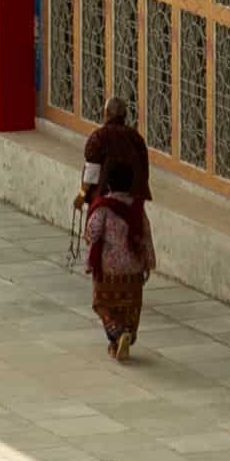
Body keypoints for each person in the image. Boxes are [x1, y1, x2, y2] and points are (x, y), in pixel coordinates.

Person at [83, 177, 154, 359]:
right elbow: (146, 234)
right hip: (133, 269)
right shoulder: (137, 207)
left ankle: (119, 334)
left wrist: (89, 261)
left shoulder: (104, 207)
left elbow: (93, 232)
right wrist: (149, 261)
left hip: (109, 270)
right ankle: (121, 340)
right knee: (129, 307)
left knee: (102, 303)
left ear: (109, 184)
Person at [80, 96, 151, 206]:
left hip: (105, 201)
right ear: (125, 115)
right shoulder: (136, 138)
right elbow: (144, 171)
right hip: (133, 202)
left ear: (106, 113)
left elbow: (91, 172)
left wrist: (81, 195)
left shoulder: (99, 136)